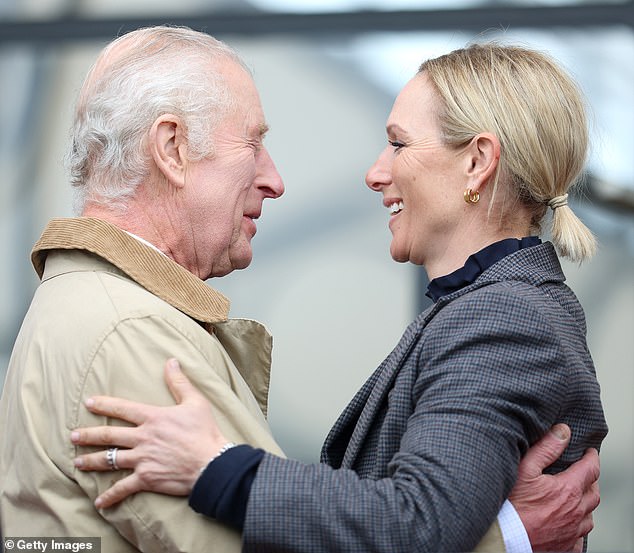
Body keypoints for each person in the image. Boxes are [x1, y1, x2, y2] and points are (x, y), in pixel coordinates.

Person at [68, 41, 607, 552]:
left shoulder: (503, 315)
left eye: (398, 144)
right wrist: (507, 535)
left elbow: (418, 523)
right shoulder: (486, 307)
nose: (376, 172)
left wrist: (218, 466)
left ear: (477, 161)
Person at [0, 26, 286, 551]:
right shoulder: (132, 331)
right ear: (171, 147)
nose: (274, 179)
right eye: (253, 143)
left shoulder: (95, 306)